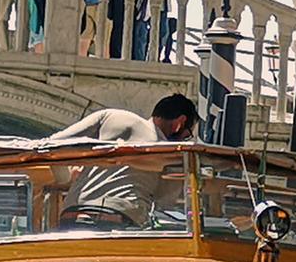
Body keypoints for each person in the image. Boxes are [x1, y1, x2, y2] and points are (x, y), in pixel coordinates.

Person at [48, 94, 201, 227]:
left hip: (72, 213)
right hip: (119, 220)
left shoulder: (111, 116)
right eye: (186, 135)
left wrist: (66, 178)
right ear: (179, 124)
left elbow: (52, 145)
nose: (184, 140)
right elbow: (164, 203)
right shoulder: (172, 153)